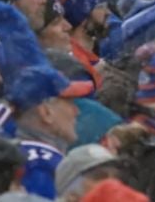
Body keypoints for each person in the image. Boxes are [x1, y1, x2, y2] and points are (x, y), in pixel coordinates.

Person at [9, 65, 94, 199]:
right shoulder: (44, 168)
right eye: (69, 103)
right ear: (46, 113)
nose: (77, 112)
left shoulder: (11, 152)